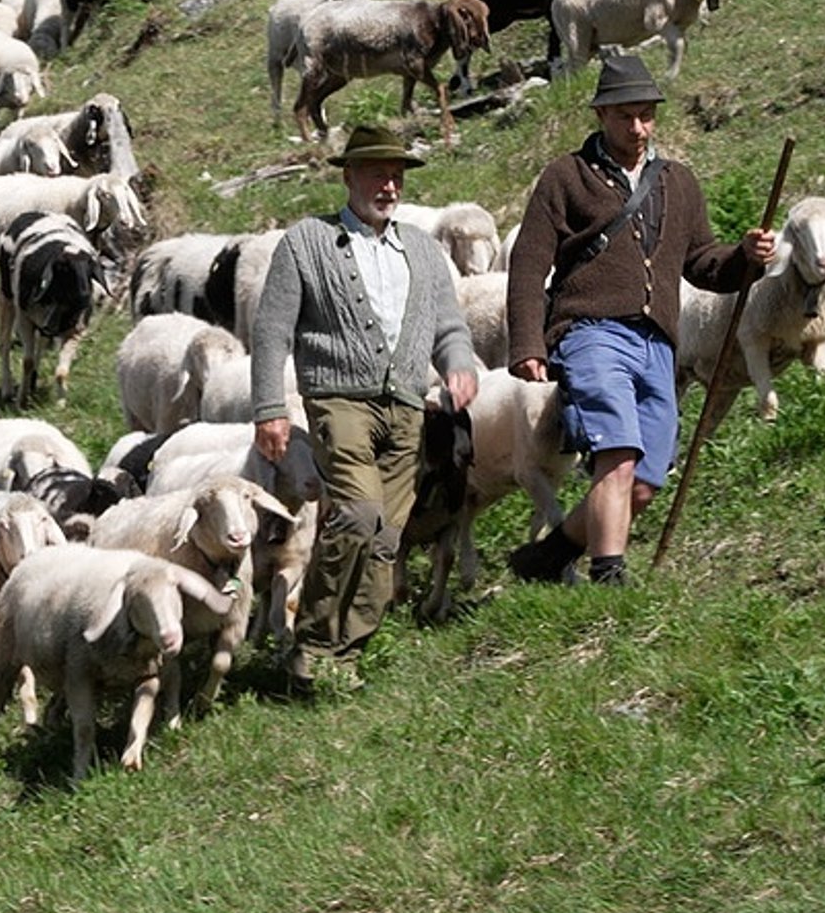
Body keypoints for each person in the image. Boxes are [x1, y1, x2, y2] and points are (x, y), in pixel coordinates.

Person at [504, 55, 776, 587]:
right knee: (617, 451)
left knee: (646, 481)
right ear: (602, 114)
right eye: (626, 116)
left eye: (647, 116)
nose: (638, 128)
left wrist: (746, 257)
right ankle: (610, 578)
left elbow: (702, 264)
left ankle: (548, 556)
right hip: (590, 334)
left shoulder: (679, 182)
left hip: (658, 344)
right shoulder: (566, 178)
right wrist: (527, 343)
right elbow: (529, 261)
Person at [251, 125, 479, 688]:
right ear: (348, 176)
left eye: (397, 175)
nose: (389, 185)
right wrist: (269, 408)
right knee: (356, 514)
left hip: (406, 406)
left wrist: (460, 362)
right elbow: (272, 330)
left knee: (386, 539)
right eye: (377, 173)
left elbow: (449, 324)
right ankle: (311, 645)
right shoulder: (306, 242)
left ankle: (345, 655)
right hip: (338, 400)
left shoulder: (423, 251)